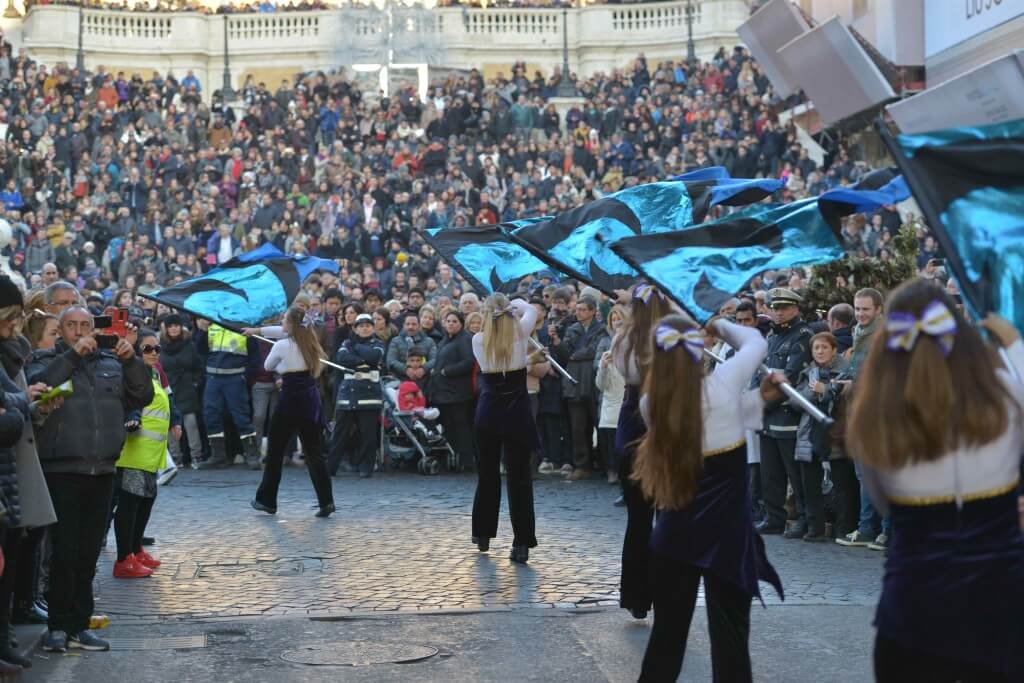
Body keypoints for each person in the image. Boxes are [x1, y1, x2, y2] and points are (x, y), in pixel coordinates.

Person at [846, 280, 1024, 682]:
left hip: (912, 612)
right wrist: (1013, 344)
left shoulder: (874, 419)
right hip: (1000, 607)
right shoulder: (1007, 398)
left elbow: (883, 503)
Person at [635, 314, 783, 682]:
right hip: (727, 535)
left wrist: (758, 398)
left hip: (675, 533)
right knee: (731, 641)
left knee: (667, 638)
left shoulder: (651, 403)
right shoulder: (724, 382)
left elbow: (706, 423)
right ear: (698, 347)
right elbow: (756, 342)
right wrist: (721, 325)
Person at [30, 305, 153, 654]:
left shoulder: (111, 362)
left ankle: (80, 625)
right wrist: (71, 356)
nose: (80, 331)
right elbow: (40, 386)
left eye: (86, 325)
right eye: (72, 326)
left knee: (87, 554)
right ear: (62, 329)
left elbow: (142, 395)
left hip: (102, 471)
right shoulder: (46, 360)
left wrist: (132, 360)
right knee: (64, 551)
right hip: (62, 470)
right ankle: (58, 626)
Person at [610, 283, 671, 620]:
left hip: (630, 427)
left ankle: (636, 596)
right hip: (661, 426)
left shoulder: (623, 339)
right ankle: (665, 594)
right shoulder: (668, 339)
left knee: (637, 521)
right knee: (665, 519)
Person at [471, 293, 539, 564]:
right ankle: (522, 542)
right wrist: (517, 305)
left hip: (488, 413)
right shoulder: (521, 333)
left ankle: (483, 534)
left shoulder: (478, 339)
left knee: (487, 474)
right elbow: (529, 308)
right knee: (519, 478)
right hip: (517, 412)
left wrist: (506, 309)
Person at [253, 306, 335, 517]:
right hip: (309, 398)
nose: (281, 325)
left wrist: (282, 367)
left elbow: (268, 366)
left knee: (275, 452)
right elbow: (283, 331)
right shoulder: (311, 341)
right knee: (314, 454)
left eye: (284, 321)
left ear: (290, 325)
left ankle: (267, 500)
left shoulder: (281, 345)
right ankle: (327, 502)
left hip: (289, 400)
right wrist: (257, 331)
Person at [112, 330, 181, 578]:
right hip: (133, 453)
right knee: (130, 505)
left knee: (144, 504)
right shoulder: (131, 375)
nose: (153, 353)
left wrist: (176, 420)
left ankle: (135, 550)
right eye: (147, 348)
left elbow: (167, 402)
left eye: (157, 349)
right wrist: (132, 419)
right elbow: (130, 404)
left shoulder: (154, 373)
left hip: (151, 455)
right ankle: (123, 558)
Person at [837, 287, 892, 550]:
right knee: (864, 475)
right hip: (859, 412)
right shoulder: (859, 333)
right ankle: (867, 528)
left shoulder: (884, 336)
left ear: (879, 310)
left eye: (865, 309)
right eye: (857, 309)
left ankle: (887, 531)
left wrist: (853, 383)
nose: (860, 314)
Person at [755, 288, 813, 537]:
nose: (779, 312)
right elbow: (761, 374)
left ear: (796, 308)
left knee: (795, 475)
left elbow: (788, 378)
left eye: (784, 307)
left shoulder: (802, 336)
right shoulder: (771, 337)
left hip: (787, 415)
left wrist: (761, 403)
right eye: (775, 308)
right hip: (768, 415)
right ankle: (774, 517)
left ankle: (803, 518)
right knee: (771, 474)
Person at [792, 332, 851, 541]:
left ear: (834, 349)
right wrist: (814, 391)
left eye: (824, 347)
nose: (820, 351)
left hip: (836, 434)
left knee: (842, 485)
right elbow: (795, 401)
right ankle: (814, 527)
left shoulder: (846, 371)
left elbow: (844, 400)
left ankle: (843, 528)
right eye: (816, 348)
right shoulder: (809, 371)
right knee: (810, 484)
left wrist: (826, 390)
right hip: (809, 433)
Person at [551, 295, 607, 480]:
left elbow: (594, 350)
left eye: (583, 309)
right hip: (574, 382)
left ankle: (605, 464)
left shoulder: (601, 329)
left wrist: (574, 355)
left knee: (600, 425)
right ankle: (582, 464)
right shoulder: (572, 329)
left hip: (593, 381)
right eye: (578, 309)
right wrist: (557, 342)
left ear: (592, 311)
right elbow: (566, 353)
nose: (579, 313)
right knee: (577, 427)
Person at [194, 320, 261, 469]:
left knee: (241, 417)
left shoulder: (243, 326)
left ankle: (251, 455)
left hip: (235, 379)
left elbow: (256, 359)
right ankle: (218, 456)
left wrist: (245, 377)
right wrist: (203, 331)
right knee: (210, 416)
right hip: (213, 378)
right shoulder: (212, 324)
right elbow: (200, 350)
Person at [329, 313, 385, 478]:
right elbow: (341, 358)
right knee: (339, 433)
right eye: (361, 326)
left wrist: (357, 348)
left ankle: (365, 467)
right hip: (348, 393)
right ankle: (331, 466)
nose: (365, 328)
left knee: (368, 434)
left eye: (368, 325)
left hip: (369, 394)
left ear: (373, 328)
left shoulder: (378, 343)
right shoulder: (346, 343)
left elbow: (374, 356)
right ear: (355, 328)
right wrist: (363, 360)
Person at [430, 310, 476, 471]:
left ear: (461, 323)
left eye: (454, 321)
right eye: (448, 321)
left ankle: (466, 461)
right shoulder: (445, 339)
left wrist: (447, 371)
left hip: (458, 394)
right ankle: (453, 459)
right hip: (444, 393)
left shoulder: (464, 339)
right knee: (449, 427)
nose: (450, 324)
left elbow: (469, 361)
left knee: (462, 428)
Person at [158, 314, 202, 468]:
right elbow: (157, 367)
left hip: (187, 386)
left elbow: (198, 365)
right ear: (166, 329)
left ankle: (196, 456)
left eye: (176, 325)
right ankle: (176, 457)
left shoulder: (189, 343)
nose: (174, 328)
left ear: (181, 327)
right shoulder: (161, 345)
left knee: (191, 423)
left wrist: (195, 382)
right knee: (170, 424)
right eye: (170, 326)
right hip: (168, 387)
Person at [595, 304, 628, 485]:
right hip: (609, 405)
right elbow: (601, 385)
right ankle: (612, 471)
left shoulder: (632, 350)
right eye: (613, 320)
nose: (616, 323)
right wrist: (603, 367)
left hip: (626, 403)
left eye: (619, 320)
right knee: (609, 444)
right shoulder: (606, 353)